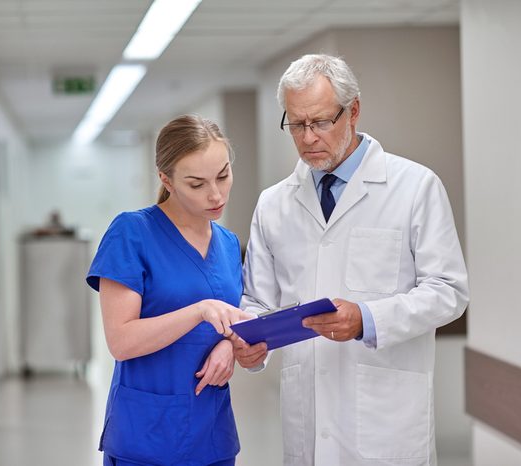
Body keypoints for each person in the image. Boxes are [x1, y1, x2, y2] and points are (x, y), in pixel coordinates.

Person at [231, 54, 469, 465]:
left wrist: (368, 318)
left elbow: (449, 291)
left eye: (320, 122)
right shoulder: (274, 204)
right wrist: (253, 346)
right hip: (307, 421)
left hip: (386, 423)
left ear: (353, 110)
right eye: (296, 123)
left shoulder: (414, 187)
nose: (307, 138)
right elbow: (257, 301)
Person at [87, 114, 252, 466]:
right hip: (146, 435)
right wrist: (198, 311)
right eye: (197, 183)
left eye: (223, 175)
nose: (216, 194)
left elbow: (229, 320)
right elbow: (121, 341)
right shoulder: (132, 233)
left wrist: (227, 344)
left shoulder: (227, 244)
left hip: (212, 433)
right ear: (167, 180)